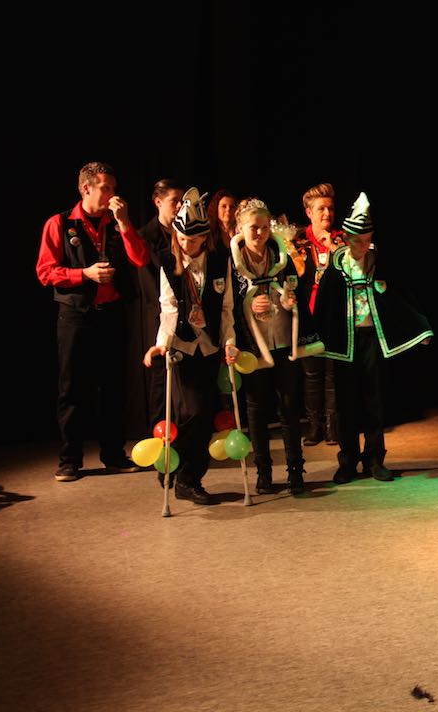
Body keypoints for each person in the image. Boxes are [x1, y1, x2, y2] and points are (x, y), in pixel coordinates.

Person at [36, 161, 150, 481]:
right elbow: (45, 272)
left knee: (113, 388)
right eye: (106, 188)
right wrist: (83, 274)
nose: (113, 194)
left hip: (111, 314)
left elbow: (140, 258)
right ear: (86, 189)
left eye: (114, 188)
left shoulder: (116, 222)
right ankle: (69, 459)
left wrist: (124, 222)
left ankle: (113, 454)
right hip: (76, 315)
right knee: (71, 389)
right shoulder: (59, 223)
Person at [314, 192, 433, 484]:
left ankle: (374, 459)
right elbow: (325, 306)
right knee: (346, 405)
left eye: (367, 241)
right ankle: (347, 461)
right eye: (357, 241)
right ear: (346, 239)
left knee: (374, 400)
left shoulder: (380, 264)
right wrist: (314, 339)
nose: (362, 247)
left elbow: (400, 299)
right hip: (346, 344)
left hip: (372, 341)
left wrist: (420, 330)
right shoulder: (336, 268)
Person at [142, 188, 234, 505]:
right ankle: (178, 468)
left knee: (206, 416)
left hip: (210, 348)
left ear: (204, 238)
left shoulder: (220, 262)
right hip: (182, 347)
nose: (186, 246)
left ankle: (188, 478)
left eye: (192, 241)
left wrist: (230, 342)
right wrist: (161, 344)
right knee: (192, 411)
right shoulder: (169, 262)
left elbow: (226, 309)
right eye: (181, 239)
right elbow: (168, 308)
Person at [230, 198, 312, 494]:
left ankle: (295, 470)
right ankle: (263, 471)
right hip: (253, 346)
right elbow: (227, 305)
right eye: (254, 227)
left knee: (289, 408)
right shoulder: (233, 264)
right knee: (256, 411)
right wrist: (249, 306)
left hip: (282, 340)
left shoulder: (281, 255)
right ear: (240, 229)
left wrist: (290, 302)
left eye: (265, 227)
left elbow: (294, 289)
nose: (260, 233)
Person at [299, 182, 345, 447]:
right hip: (308, 318)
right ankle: (314, 427)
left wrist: (334, 248)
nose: (327, 213)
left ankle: (332, 427)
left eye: (331, 208)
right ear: (309, 212)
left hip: (334, 317)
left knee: (332, 374)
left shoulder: (341, 240)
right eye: (321, 209)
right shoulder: (297, 243)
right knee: (312, 375)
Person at [137, 179, 185, 428]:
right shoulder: (146, 237)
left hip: (186, 313)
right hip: (159, 314)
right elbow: (150, 284)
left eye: (182, 201)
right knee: (161, 377)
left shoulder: (186, 232)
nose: (179, 206)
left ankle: (185, 433)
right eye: (174, 201)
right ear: (158, 202)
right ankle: (160, 435)